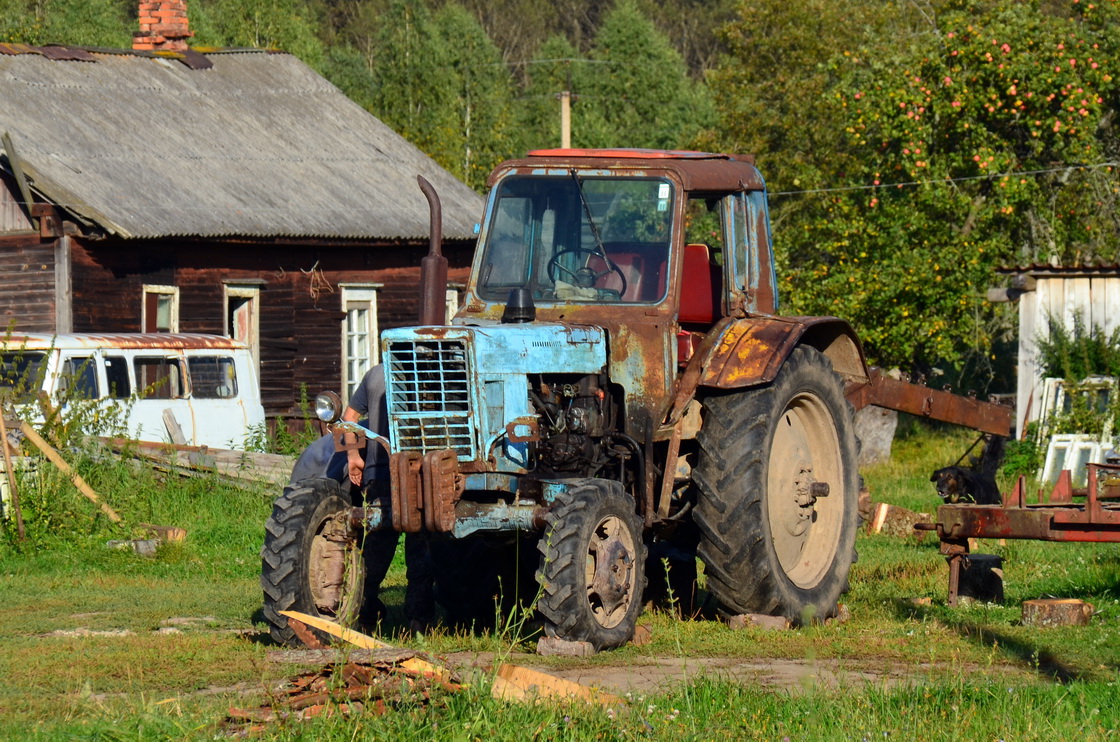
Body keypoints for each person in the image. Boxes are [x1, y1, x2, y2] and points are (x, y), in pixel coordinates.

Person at [287, 364, 434, 631]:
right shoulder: (430, 372)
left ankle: (364, 610)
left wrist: (354, 457)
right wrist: (354, 458)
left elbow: (348, 419)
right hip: (419, 469)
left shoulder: (376, 373)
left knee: (379, 540)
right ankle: (418, 620)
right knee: (420, 543)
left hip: (380, 470)